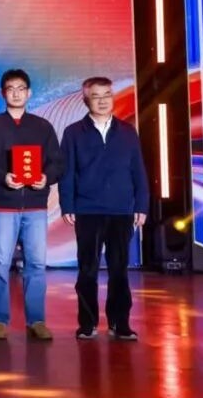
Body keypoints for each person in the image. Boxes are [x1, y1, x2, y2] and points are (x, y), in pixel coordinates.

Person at [59, 76, 149, 341]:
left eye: (107, 94)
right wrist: (68, 205)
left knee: (119, 269)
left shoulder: (128, 132)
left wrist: (141, 204)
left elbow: (138, 171)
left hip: (121, 210)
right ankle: (87, 324)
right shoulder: (73, 132)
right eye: (96, 96)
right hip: (88, 210)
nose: (102, 101)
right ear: (86, 100)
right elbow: (67, 173)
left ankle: (120, 323)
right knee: (87, 270)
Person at [0, 69, 64, 341]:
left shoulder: (42, 127)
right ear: (2, 93)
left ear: (29, 93)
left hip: (35, 206)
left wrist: (46, 177)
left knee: (36, 264)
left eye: (21, 88)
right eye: (10, 88)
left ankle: (36, 319)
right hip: (3, 205)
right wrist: (2, 177)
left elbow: (56, 163)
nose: (16, 93)